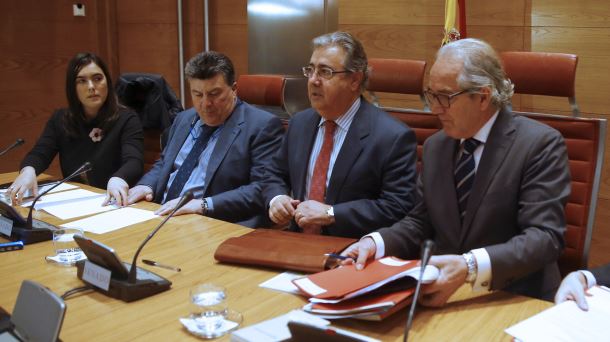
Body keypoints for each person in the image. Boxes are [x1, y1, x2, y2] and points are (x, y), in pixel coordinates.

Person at [342, 38, 571, 304]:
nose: (435, 108)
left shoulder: (539, 144)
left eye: (445, 97)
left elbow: (544, 238)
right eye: (432, 94)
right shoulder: (436, 146)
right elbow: (420, 222)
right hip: (446, 294)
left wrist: (470, 266)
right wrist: (374, 243)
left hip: (515, 296)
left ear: (483, 97)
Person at [263, 31, 417, 239]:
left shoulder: (392, 137)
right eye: (310, 70)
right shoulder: (300, 122)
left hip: (353, 249)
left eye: (325, 72)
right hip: (296, 243)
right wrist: (277, 198)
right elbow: (274, 173)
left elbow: (397, 207)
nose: (313, 80)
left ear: (354, 80)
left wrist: (331, 214)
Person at [127, 51, 284, 228]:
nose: (206, 104)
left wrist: (202, 205)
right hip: (160, 214)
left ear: (234, 89)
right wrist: (146, 186)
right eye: (198, 94)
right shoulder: (184, 119)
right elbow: (165, 163)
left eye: (214, 94)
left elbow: (261, 189)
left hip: (212, 222)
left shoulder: (262, 126)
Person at [7, 52, 144, 206]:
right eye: (82, 81)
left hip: (113, 202)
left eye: (97, 79)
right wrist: (28, 171)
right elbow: (40, 153)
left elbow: (134, 161)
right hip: (76, 203)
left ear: (107, 81)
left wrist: (119, 178)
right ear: (73, 88)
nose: (91, 87)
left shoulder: (127, 119)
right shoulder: (60, 119)